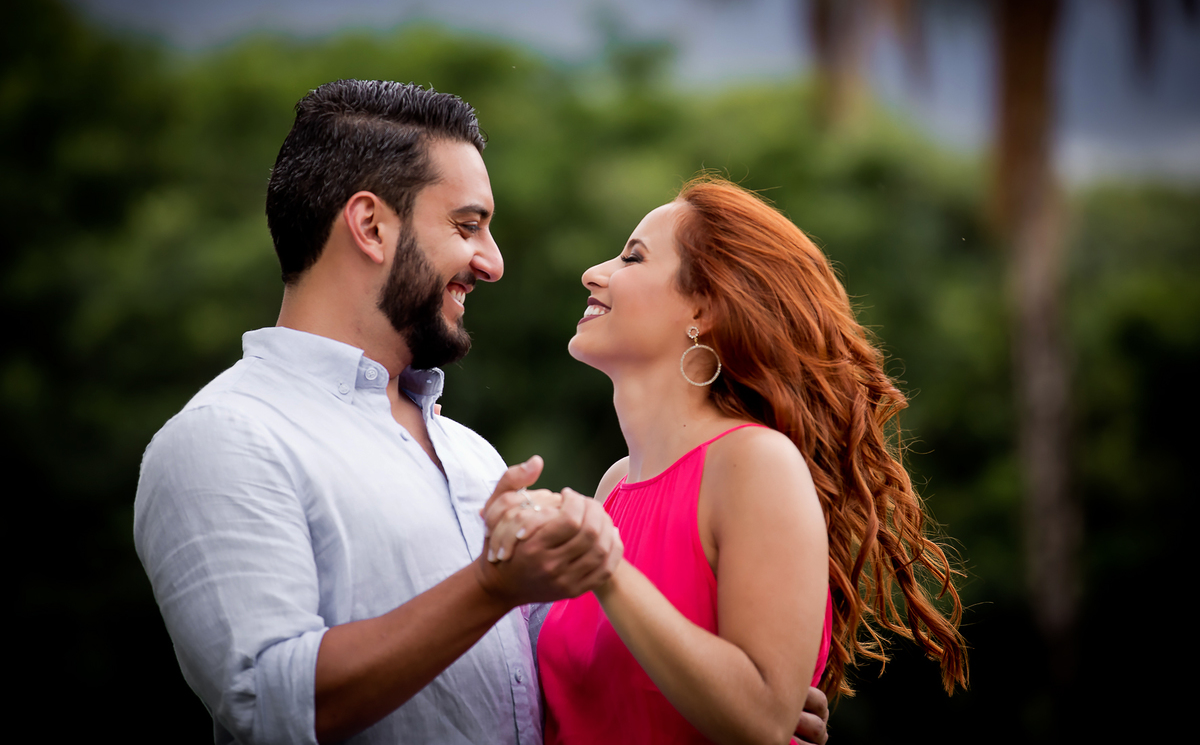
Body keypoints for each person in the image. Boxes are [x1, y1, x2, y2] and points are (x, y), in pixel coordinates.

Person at [133, 80, 829, 745]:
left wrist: (737, 701)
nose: (492, 263)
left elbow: (539, 680)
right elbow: (268, 705)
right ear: (370, 226)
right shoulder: (227, 438)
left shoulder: (472, 456)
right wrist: (489, 590)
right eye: (468, 226)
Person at [486, 176, 968, 744]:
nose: (594, 273)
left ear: (705, 306)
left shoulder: (753, 462)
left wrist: (606, 569)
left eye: (632, 258)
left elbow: (761, 719)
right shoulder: (616, 485)